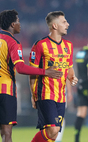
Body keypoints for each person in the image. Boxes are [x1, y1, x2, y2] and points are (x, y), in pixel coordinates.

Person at [0, 9, 63, 142]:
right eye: (17, 21)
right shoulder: (13, 42)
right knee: (6, 132)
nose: (20, 24)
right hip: (6, 90)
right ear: (12, 24)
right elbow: (21, 68)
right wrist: (45, 71)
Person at [29, 11, 78, 142]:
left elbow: (69, 68)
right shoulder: (40, 45)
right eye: (64, 22)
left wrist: (72, 78)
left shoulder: (69, 46)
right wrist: (33, 95)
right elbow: (32, 72)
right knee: (53, 130)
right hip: (45, 94)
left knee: (54, 135)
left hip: (61, 96)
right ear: (55, 26)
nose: (67, 24)